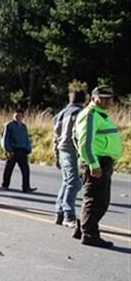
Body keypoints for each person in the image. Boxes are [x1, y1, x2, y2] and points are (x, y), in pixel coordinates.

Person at [72, 86, 124, 248]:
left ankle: (82, 227)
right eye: (104, 98)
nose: (108, 101)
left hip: (102, 161)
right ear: (94, 98)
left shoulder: (101, 115)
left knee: (95, 199)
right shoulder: (91, 115)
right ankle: (90, 234)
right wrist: (94, 164)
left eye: (110, 98)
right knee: (97, 200)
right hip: (96, 162)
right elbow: (84, 143)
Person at [53, 89, 86, 225]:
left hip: (62, 150)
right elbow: (80, 134)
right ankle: (68, 214)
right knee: (74, 182)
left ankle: (59, 212)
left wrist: (56, 154)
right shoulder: (80, 113)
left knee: (67, 181)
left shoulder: (61, 114)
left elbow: (55, 136)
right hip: (72, 150)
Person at [0, 108, 37, 193]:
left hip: (22, 150)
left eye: (20, 116)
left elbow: (26, 138)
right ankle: (5, 185)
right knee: (9, 168)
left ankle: (26, 187)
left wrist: (28, 148)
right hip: (13, 150)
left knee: (25, 170)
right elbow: (4, 138)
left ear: (22, 117)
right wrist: (8, 150)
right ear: (13, 115)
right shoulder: (9, 125)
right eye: (16, 115)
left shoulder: (24, 126)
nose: (18, 117)